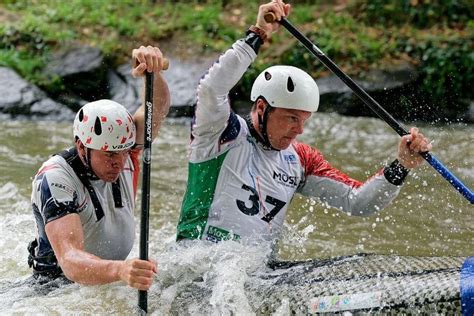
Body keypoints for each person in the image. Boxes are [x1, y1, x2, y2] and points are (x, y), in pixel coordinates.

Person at [176, 0, 432, 246]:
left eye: (304, 120)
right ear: (262, 108)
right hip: (198, 267)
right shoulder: (220, 134)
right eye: (291, 118)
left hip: (257, 275)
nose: (299, 129)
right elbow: (211, 89)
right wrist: (258, 33)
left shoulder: (300, 159)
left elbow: (358, 202)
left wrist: (402, 166)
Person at [27, 45, 170, 290]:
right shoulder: (55, 177)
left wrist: (153, 73)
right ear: (82, 147)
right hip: (57, 290)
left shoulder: (124, 149)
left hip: (111, 280)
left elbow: (155, 109)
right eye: (109, 154)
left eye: (125, 151)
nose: (120, 161)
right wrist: (120, 269)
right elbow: (70, 260)